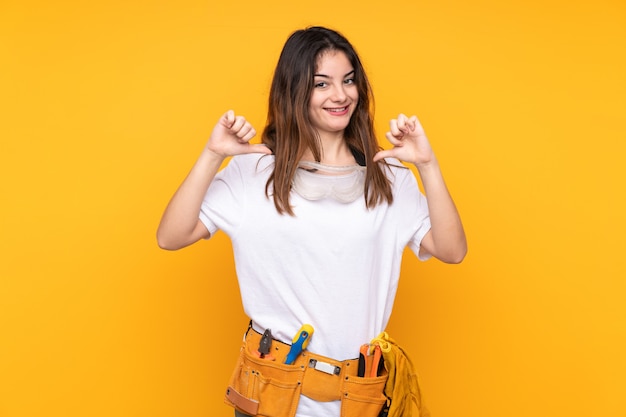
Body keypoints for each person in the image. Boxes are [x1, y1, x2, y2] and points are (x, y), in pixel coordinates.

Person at [157, 26, 466, 417]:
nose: (341, 95)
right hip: (273, 393)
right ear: (293, 90)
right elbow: (171, 236)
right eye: (322, 84)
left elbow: (452, 250)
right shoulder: (252, 172)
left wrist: (428, 166)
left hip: (361, 396)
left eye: (348, 80)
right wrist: (212, 155)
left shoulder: (388, 177)